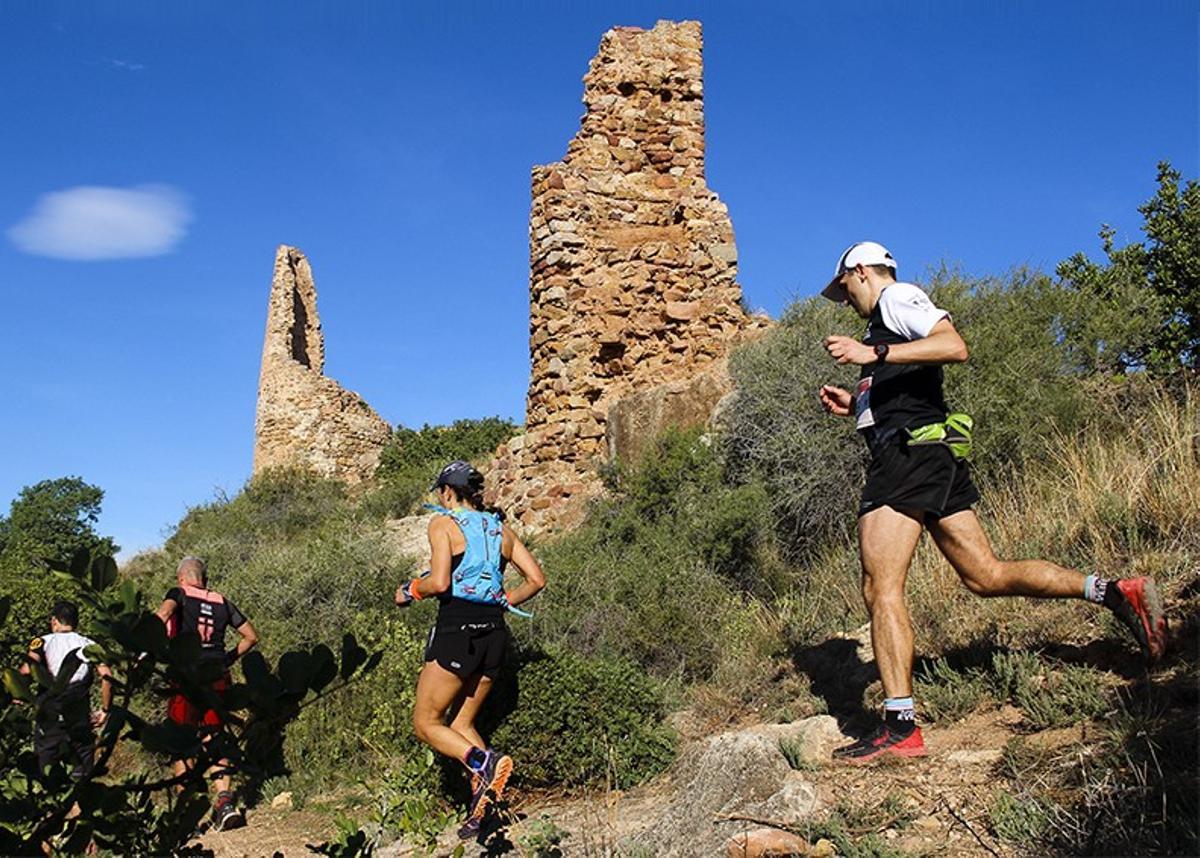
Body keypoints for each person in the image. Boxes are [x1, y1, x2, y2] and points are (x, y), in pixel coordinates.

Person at [817, 241, 1168, 764]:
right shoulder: (884, 323)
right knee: (986, 575)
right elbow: (913, 382)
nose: (844, 300)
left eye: (844, 290)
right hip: (927, 454)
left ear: (861, 272)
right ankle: (1117, 592)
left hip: (908, 458)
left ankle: (900, 727)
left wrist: (876, 354)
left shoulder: (897, 299)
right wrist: (859, 404)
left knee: (881, 585)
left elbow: (953, 345)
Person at [395, 460, 546, 840]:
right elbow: (537, 580)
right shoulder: (501, 529)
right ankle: (486, 812)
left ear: (447, 491)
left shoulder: (443, 524)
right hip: (494, 633)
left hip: (457, 631)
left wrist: (410, 590)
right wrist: (502, 600)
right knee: (461, 724)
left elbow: (441, 582)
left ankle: (484, 762)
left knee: (426, 723)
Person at [154, 556, 258, 831]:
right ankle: (225, 803)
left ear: (181, 578)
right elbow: (251, 637)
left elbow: (162, 615)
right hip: (217, 675)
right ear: (204, 579)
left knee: (181, 738)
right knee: (216, 737)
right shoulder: (222, 601)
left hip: (186, 675)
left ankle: (187, 813)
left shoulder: (179, 594)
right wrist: (228, 659)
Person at [21, 600, 113, 780]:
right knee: (82, 775)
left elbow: (26, 670)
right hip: (78, 712)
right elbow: (107, 676)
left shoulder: (42, 642)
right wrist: (105, 709)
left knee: (45, 771)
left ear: (54, 621)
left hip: (49, 712)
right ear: (76, 622)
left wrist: (18, 694)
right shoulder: (89, 644)